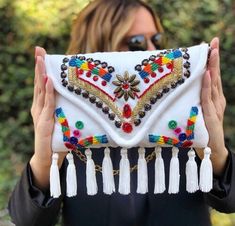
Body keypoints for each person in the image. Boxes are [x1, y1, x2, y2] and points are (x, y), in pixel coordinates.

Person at [8, 0, 235, 226]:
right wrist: (44, 161)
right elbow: (27, 220)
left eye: (156, 40)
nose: (153, 51)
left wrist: (216, 152)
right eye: (136, 42)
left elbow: (230, 202)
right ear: (97, 47)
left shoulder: (182, 116)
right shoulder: (71, 122)